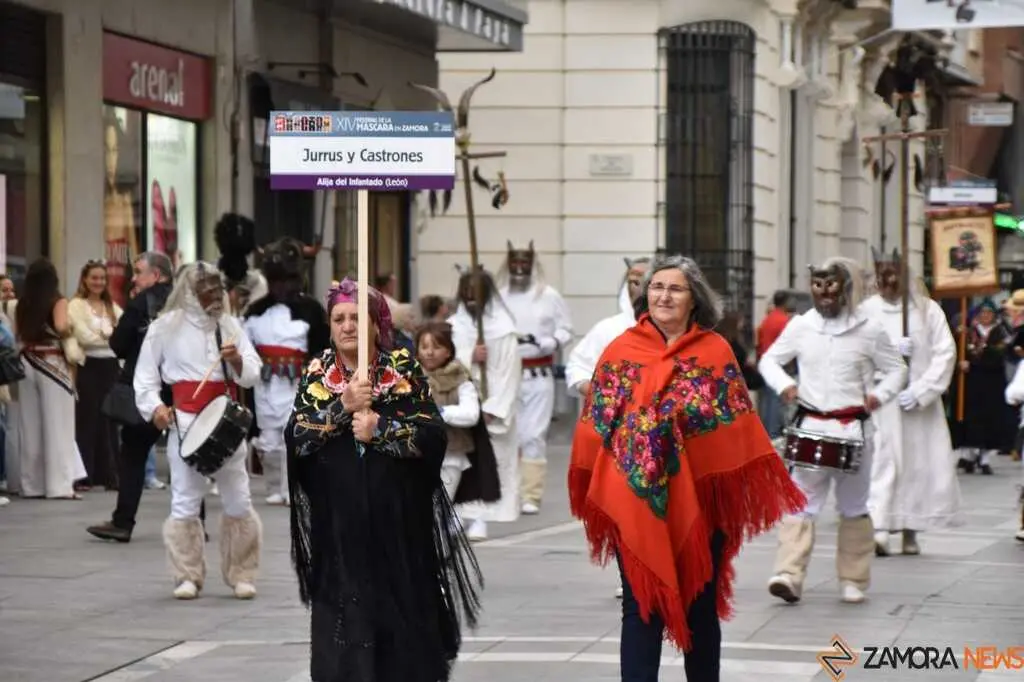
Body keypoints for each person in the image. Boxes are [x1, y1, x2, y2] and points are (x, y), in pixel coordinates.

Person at [569, 254, 805, 682]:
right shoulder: (621, 349)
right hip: (634, 498)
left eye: (675, 288)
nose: (663, 295)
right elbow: (598, 421)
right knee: (640, 605)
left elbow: (735, 424)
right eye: (656, 287)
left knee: (700, 604)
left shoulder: (714, 351)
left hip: (700, 502)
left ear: (694, 299)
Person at [286, 278, 482, 682]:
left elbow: (432, 435)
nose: (347, 326)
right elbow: (298, 437)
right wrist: (342, 408)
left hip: (397, 523)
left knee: (401, 624)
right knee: (343, 621)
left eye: (356, 318)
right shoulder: (318, 372)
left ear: (376, 324)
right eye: (338, 318)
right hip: (340, 525)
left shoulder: (402, 369)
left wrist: (383, 429)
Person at [760, 257, 907, 605]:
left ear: (846, 287)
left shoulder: (869, 329)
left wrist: (879, 395)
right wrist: (785, 386)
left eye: (831, 285)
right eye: (818, 285)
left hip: (854, 428)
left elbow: (897, 370)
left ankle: (853, 579)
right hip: (810, 425)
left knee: (854, 505)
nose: (824, 294)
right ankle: (789, 574)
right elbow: (769, 360)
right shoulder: (801, 326)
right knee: (800, 502)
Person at [134, 261, 263, 600]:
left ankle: (242, 573)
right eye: (207, 288)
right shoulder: (164, 327)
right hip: (186, 422)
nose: (215, 295)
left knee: (238, 497)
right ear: (189, 292)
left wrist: (235, 360)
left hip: (226, 422)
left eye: (217, 287)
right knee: (185, 499)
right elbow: (145, 379)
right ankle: (186, 575)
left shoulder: (230, 325)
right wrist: (156, 410)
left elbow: (252, 373)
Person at [862, 249, 962, 556]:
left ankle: (911, 528)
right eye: (882, 277)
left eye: (893, 277)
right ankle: (879, 525)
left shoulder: (927, 310)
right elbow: (856, 350)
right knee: (883, 460)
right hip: (883, 401)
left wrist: (922, 390)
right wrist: (888, 355)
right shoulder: (867, 310)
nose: (887, 283)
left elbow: (946, 352)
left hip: (917, 405)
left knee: (917, 465)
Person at [565, 255, 650, 600]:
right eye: (634, 281)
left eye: (648, 281)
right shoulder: (608, 329)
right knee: (621, 503)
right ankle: (629, 571)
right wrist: (595, 388)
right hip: (617, 436)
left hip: (661, 438)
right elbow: (577, 368)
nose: (640, 289)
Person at [87, 252, 174, 542]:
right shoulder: (183, 304)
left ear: (157, 275)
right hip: (180, 390)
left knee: (133, 453)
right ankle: (194, 524)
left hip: (147, 391)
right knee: (186, 456)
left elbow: (119, 344)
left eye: (139, 272)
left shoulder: (142, 302)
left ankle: (123, 521)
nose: (133, 278)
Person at [244, 238, 329, 506]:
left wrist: (315, 375)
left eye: (287, 280)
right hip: (265, 382)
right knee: (269, 440)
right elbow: (246, 346)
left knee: (296, 434)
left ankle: (293, 487)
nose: (281, 286)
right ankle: (273, 486)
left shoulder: (312, 310)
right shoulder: (255, 311)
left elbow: (321, 347)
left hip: (299, 382)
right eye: (276, 280)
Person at [497, 240, 573, 515]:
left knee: (533, 435)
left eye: (524, 263)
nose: (519, 268)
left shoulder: (549, 296)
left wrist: (551, 342)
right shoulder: (499, 296)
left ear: (532, 264)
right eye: (515, 263)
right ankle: (510, 490)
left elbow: (566, 329)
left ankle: (531, 493)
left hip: (539, 374)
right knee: (508, 433)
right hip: (507, 374)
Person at [448, 267, 522, 540]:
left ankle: (480, 518)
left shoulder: (504, 330)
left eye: (475, 294)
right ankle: (456, 514)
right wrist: (469, 355)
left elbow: (509, 371)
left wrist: (494, 408)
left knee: (489, 465)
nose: (470, 299)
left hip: (492, 404)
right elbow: (443, 361)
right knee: (458, 461)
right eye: (466, 293)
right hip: (461, 401)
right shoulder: (454, 327)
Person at [16, 258, 86, 499]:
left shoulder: (22, 303)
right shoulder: (57, 301)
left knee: (30, 425)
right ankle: (59, 486)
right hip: (52, 362)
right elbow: (61, 326)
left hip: (27, 361)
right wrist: (71, 331)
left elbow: (19, 335)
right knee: (59, 426)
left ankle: (31, 484)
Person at [416, 320, 501, 511]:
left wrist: (441, 413)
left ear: (448, 351)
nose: (429, 352)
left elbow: (471, 414)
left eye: (436, 347)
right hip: (417, 454)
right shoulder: (411, 379)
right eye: (424, 347)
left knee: (441, 507)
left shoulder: (460, 379)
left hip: (451, 453)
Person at [68, 260, 123, 491]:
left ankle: (110, 476)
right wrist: (108, 336)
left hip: (111, 367)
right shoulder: (76, 305)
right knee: (87, 420)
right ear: (85, 279)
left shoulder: (113, 307)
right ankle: (85, 475)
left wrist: (103, 336)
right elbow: (82, 336)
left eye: (102, 278)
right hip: (88, 366)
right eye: (94, 278)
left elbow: (124, 335)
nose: (98, 282)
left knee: (110, 421)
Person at [949, 298, 1017, 474]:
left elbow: (999, 356)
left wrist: (975, 363)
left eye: (989, 313)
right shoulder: (967, 333)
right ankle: (968, 456)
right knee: (969, 419)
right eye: (982, 313)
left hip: (991, 383)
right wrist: (960, 362)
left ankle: (985, 458)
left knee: (989, 420)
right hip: (970, 383)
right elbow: (955, 351)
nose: (985, 316)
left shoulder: (1000, 332)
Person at [756, 290, 796, 437]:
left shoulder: (767, 319)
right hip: (779, 366)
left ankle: (766, 433)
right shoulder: (784, 321)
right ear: (786, 302)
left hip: (765, 363)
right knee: (775, 403)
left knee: (766, 403)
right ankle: (773, 434)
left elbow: (759, 340)